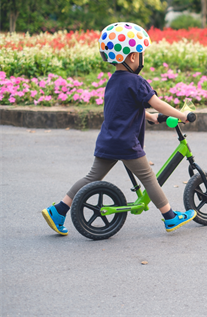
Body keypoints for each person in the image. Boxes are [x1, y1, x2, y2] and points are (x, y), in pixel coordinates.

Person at [42, 22, 196, 236]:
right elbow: (156, 102)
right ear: (132, 57)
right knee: (149, 178)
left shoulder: (113, 81)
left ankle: (58, 210)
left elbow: (123, 109)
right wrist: (182, 114)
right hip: (126, 143)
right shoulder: (137, 82)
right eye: (141, 53)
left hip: (108, 140)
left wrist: (150, 118)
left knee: (91, 178)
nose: (142, 57)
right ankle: (170, 217)